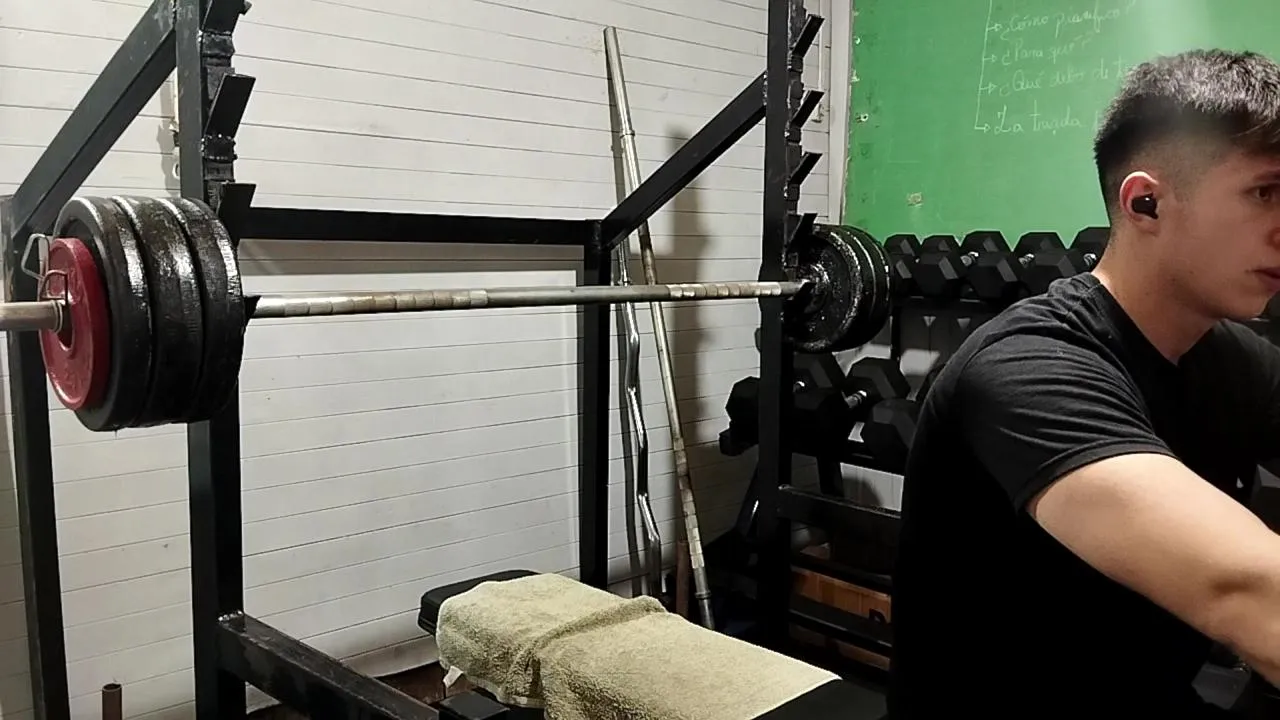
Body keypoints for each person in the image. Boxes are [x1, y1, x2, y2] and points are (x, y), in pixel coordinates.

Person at [888, 48, 1280, 718]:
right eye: (1264, 193)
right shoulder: (1025, 368)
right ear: (1145, 203)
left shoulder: (1233, 358)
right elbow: (1250, 593)